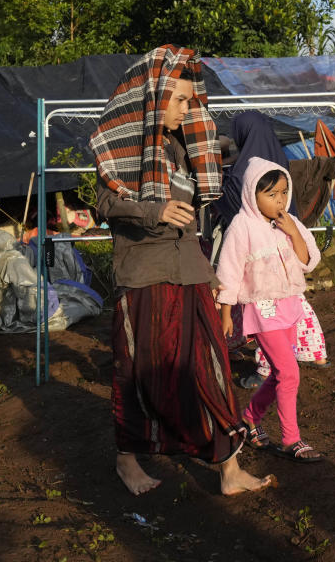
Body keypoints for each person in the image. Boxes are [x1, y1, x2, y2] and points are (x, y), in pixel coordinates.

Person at [90, 44, 273, 497]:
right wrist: (153, 211)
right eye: (179, 100)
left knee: (210, 368)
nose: (187, 109)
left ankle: (229, 470)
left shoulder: (182, 148)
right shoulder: (124, 150)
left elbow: (191, 222)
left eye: (191, 101)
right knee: (140, 369)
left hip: (190, 273)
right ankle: (127, 458)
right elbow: (106, 203)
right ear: (153, 96)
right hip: (144, 274)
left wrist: (214, 282)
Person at [216, 157, 324, 462]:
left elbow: (308, 260)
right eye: (272, 194)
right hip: (262, 311)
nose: (280, 200)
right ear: (253, 193)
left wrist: (292, 230)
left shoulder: (290, 222)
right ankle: (292, 440)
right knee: (290, 372)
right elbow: (229, 270)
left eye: (284, 193)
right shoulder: (242, 225)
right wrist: (225, 314)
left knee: (280, 372)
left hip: (289, 306)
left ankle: (249, 419)